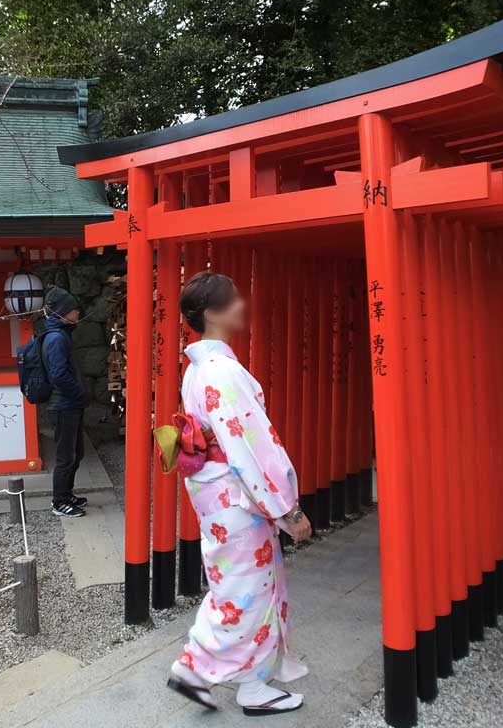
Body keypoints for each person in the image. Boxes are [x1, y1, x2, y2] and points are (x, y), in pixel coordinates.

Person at [166, 271, 312, 716]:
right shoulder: (221, 371)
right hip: (236, 496)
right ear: (211, 313)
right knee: (243, 590)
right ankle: (193, 668)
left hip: (218, 495)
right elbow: (254, 447)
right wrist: (288, 508)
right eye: (233, 300)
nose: (241, 305)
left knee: (251, 585)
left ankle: (255, 683)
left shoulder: (198, 370)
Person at [42, 286, 89, 518]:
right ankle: (59, 501)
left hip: (69, 404)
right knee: (65, 456)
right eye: (73, 309)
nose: (77, 312)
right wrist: (79, 391)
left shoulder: (61, 335)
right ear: (62, 312)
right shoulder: (57, 339)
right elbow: (58, 375)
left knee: (76, 453)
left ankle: (66, 493)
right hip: (63, 405)